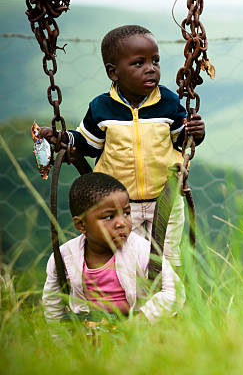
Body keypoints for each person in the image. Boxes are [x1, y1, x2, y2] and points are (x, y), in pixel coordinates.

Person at [40, 25, 205, 267]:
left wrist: (197, 133)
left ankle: (171, 302)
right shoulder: (102, 108)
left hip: (165, 195)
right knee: (129, 262)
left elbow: (182, 140)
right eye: (139, 63)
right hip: (121, 206)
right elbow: (89, 144)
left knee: (168, 260)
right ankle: (135, 304)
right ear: (113, 72)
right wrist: (63, 138)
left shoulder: (169, 102)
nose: (151, 69)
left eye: (155, 61)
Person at [42, 172, 185, 322]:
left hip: (133, 326)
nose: (121, 223)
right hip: (88, 330)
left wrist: (141, 321)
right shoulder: (65, 256)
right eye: (109, 217)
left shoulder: (141, 250)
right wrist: (60, 341)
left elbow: (174, 291)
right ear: (81, 224)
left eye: (126, 213)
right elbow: (53, 304)